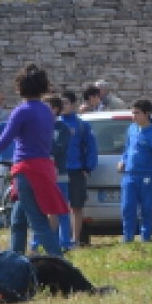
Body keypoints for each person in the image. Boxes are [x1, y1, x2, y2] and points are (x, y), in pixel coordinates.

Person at [0, 65, 69, 257]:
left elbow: (1, 143)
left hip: (27, 170)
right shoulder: (47, 110)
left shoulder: (22, 111)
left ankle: (60, 263)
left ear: (21, 87)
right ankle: (15, 259)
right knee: (18, 220)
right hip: (43, 167)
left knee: (38, 222)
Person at [117, 99, 152, 242]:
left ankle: (145, 237)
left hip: (147, 175)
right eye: (132, 112)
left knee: (146, 208)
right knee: (127, 208)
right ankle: (127, 238)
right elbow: (128, 148)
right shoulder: (132, 129)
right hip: (129, 175)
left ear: (147, 114)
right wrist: (123, 160)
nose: (133, 116)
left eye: (137, 113)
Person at [60, 91, 98, 248]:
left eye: (66, 103)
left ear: (74, 104)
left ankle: (75, 240)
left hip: (76, 170)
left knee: (76, 206)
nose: (63, 107)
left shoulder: (82, 125)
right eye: (60, 104)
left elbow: (91, 147)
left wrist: (88, 167)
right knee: (58, 207)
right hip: (58, 170)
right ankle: (62, 239)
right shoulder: (54, 123)